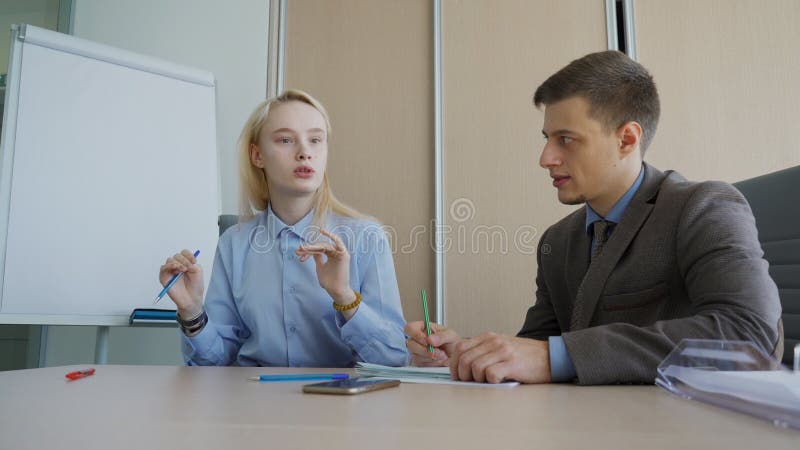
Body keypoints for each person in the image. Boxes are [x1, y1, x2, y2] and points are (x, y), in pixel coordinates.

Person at [405, 50, 783, 385]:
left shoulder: (703, 206)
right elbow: (538, 348)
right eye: (546, 138)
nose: (546, 158)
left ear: (627, 139)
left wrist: (558, 357)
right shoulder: (558, 241)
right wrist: (468, 354)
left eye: (566, 139)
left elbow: (747, 333)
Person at [159, 89, 408, 367]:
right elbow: (214, 366)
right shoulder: (234, 243)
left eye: (315, 140)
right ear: (257, 156)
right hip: (253, 404)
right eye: (286, 140)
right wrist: (192, 311)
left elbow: (394, 358)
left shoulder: (367, 238)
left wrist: (345, 297)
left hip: (339, 405)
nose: (304, 153)